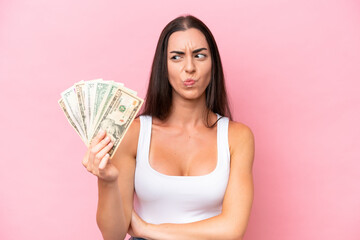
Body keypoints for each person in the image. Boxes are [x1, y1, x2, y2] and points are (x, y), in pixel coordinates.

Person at [82, 15, 255, 240]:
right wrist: (107, 180)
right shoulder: (134, 134)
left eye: (200, 55)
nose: (189, 68)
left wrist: (147, 230)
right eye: (176, 57)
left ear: (213, 64)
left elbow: (232, 230)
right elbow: (113, 235)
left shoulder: (237, 137)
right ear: (163, 66)